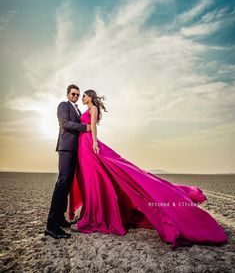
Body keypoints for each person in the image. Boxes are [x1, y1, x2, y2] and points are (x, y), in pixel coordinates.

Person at [69, 89, 228, 249]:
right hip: (83, 146)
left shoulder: (93, 109)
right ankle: (94, 211)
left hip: (89, 144)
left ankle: (98, 215)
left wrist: (95, 143)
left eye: (83, 95)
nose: (81, 98)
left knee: (114, 173)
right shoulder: (86, 110)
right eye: (79, 95)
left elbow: (93, 127)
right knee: (93, 178)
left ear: (90, 97)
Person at [45, 84, 90, 239]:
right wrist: (86, 127)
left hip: (75, 151)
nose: (75, 96)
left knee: (67, 185)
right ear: (67, 94)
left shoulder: (77, 109)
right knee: (62, 183)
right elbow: (65, 123)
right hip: (66, 149)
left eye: (77, 95)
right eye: (73, 94)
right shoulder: (63, 105)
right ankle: (51, 226)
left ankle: (60, 219)